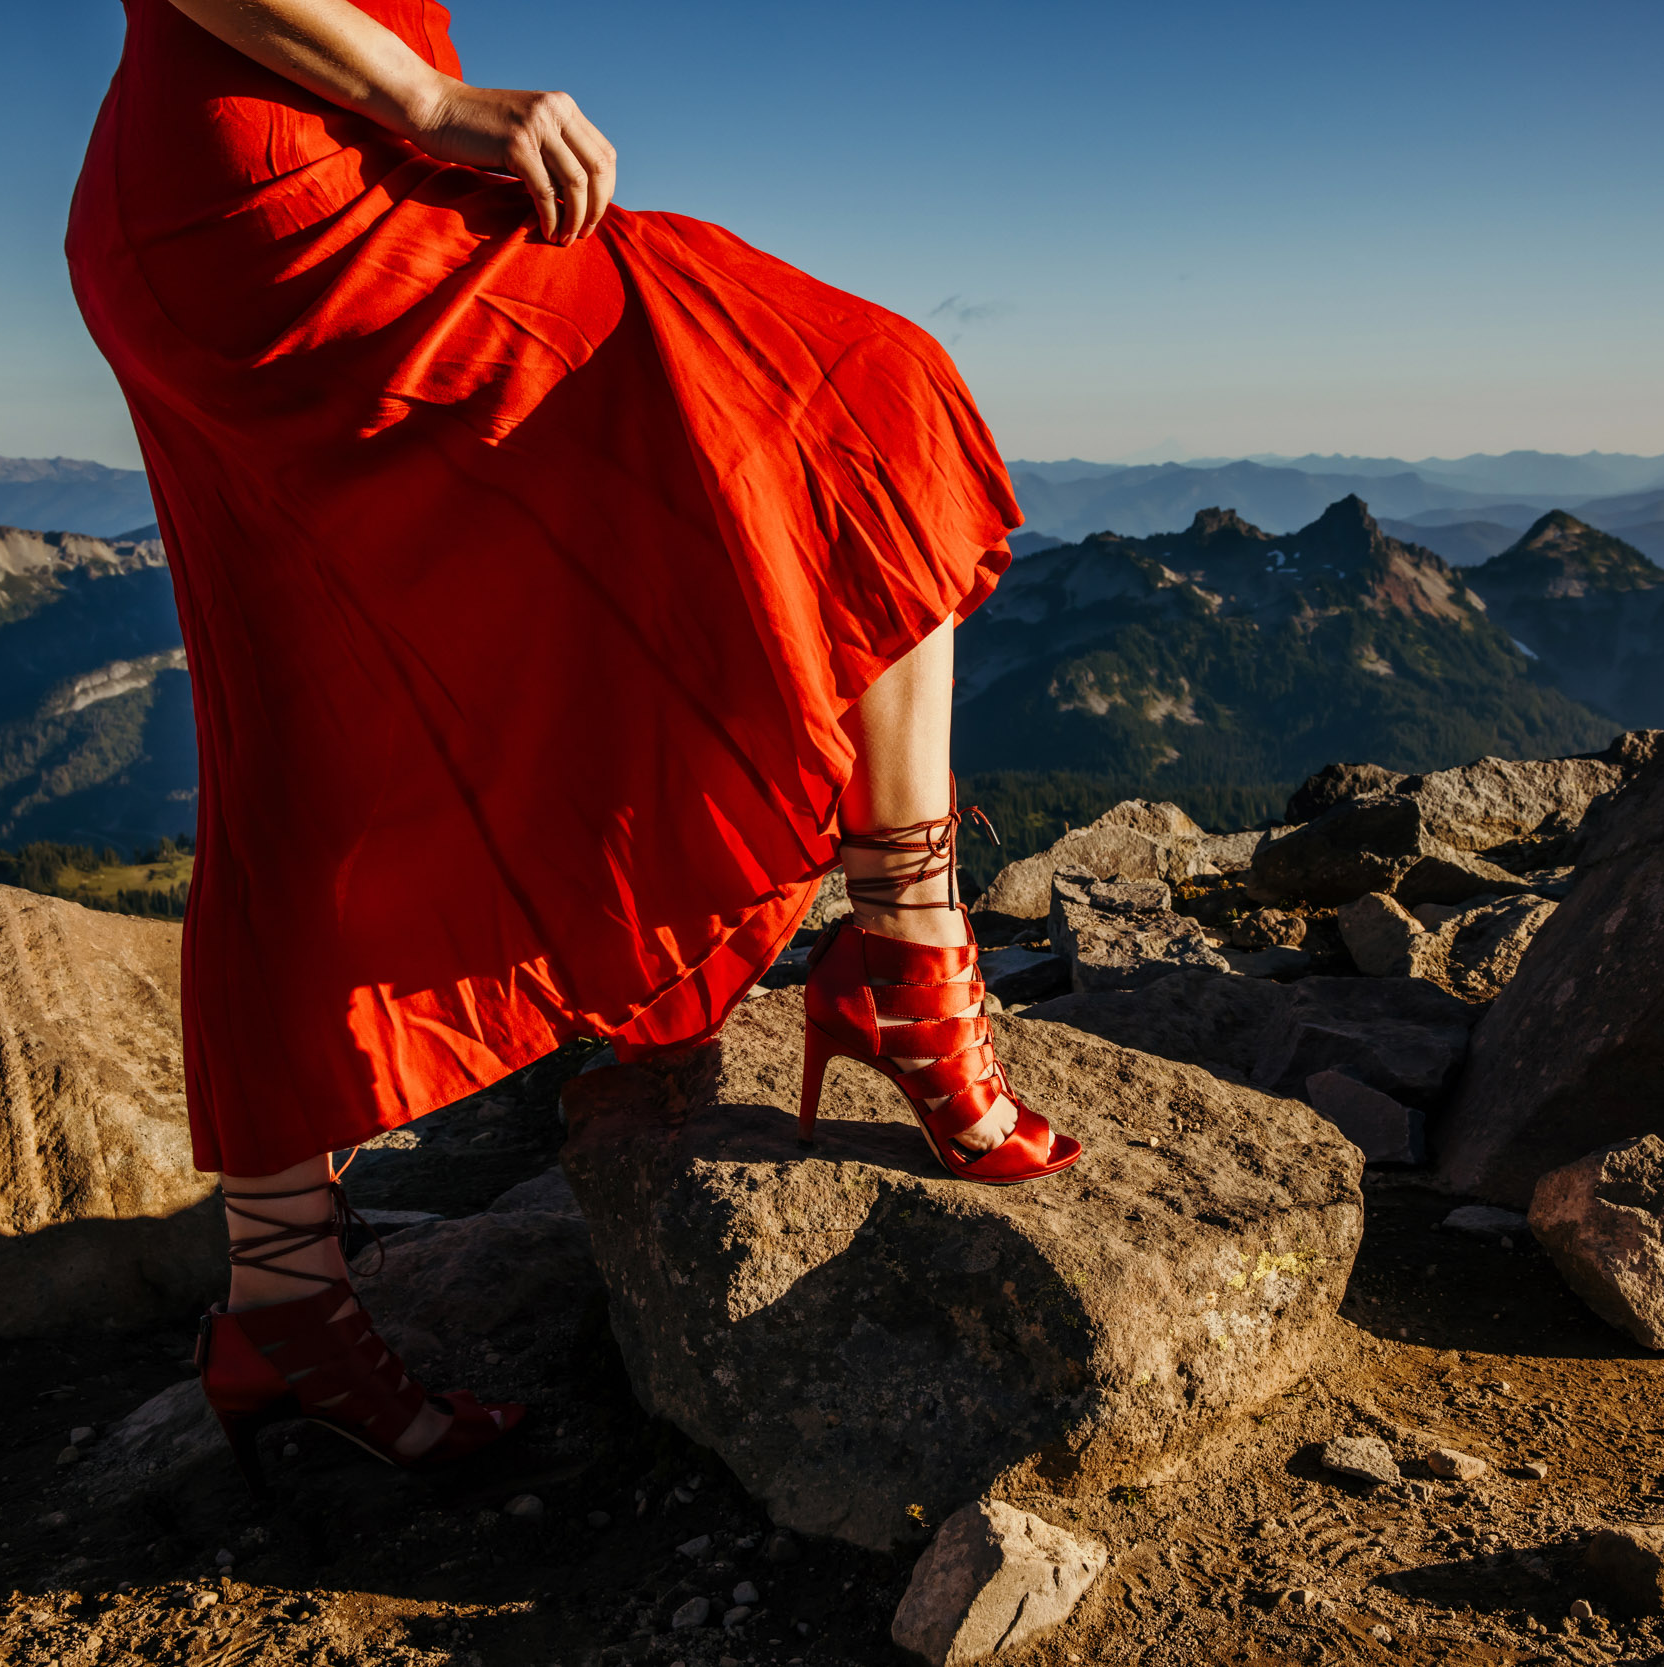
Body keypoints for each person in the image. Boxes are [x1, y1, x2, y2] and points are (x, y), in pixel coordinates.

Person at [66, 0, 1082, 1490]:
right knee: (863, 396)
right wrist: (423, 96)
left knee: (307, 708)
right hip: (278, 187)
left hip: (283, 176)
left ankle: (279, 1299)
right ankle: (907, 953)